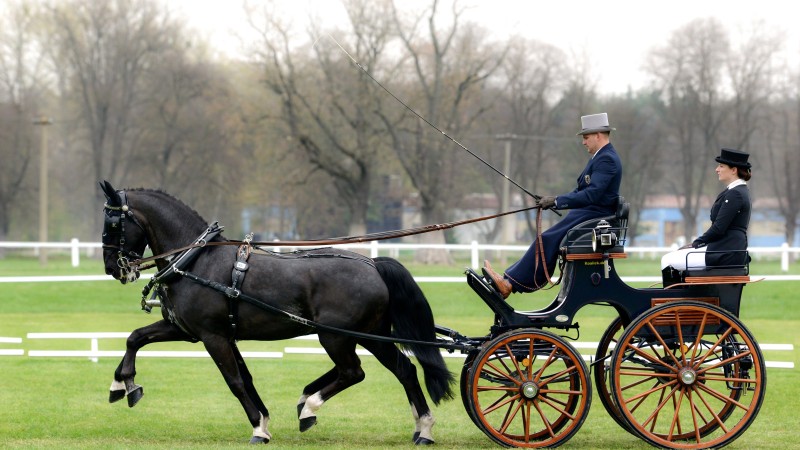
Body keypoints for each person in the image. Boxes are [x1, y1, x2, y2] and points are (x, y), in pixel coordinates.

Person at [483, 113, 623, 299]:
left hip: (594, 216)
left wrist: (557, 201)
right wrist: (553, 200)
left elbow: (592, 194)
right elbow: (580, 191)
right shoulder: (601, 157)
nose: (583, 142)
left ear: (598, 135)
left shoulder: (607, 159)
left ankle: (509, 283)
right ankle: (508, 280)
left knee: (547, 239)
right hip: (587, 213)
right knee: (547, 238)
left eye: (586, 137)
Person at [660, 148, 752, 273]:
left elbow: (719, 228)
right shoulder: (738, 191)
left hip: (724, 251)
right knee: (675, 257)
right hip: (726, 249)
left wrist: (697, 243)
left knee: (667, 260)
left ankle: (677, 293)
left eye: (721, 166)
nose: (717, 169)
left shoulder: (735, 194)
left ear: (734, 170)